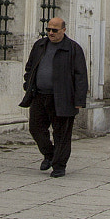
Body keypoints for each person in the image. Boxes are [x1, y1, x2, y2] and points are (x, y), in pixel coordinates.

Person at [22, 16, 88, 176]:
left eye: (54, 30)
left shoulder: (73, 49)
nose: (50, 33)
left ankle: (59, 166)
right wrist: (28, 84)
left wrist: (79, 100)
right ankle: (50, 155)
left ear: (63, 30)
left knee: (61, 134)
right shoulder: (40, 45)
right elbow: (30, 67)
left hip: (63, 97)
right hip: (39, 95)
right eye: (48, 30)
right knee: (35, 128)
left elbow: (81, 76)